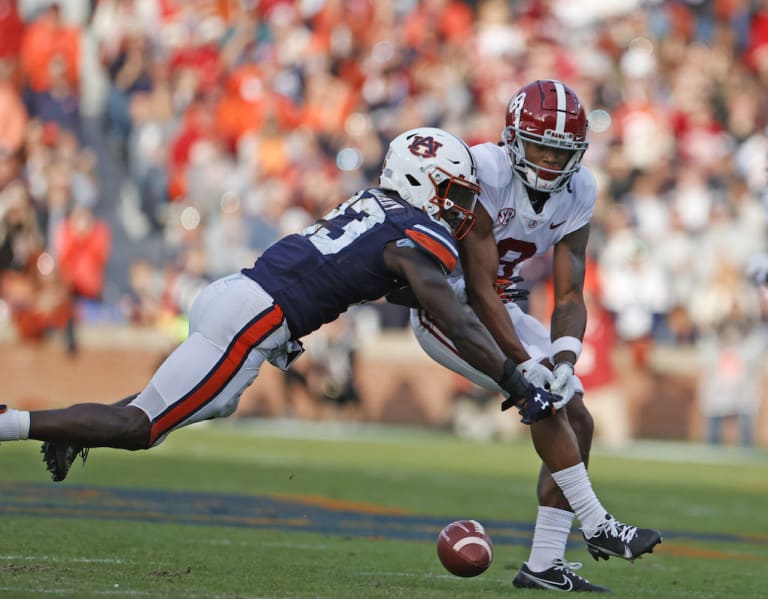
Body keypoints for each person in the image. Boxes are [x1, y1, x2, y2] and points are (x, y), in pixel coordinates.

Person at [0, 126, 557, 479]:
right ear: (419, 182)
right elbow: (451, 316)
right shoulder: (414, 234)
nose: (461, 208)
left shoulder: (374, 209)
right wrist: (515, 380)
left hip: (237, 297)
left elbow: (396, 288)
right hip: (255, 317)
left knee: (201, 402)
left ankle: (65, 433)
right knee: (141, 427)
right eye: (454, 193)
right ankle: (14, 423)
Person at [408, 80, 660, 591]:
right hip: (446, 304)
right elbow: (477, 288)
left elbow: (569, 295)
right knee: (539, 396)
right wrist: (528, 366)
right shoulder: (485, 169)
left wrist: (565, 360)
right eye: (541, 145)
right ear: (514, 138)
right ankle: (598, 523)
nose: (548, 160)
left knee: (579, 415)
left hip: (496, 304)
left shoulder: (582, 189)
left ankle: (544, 564)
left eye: (561, 151)